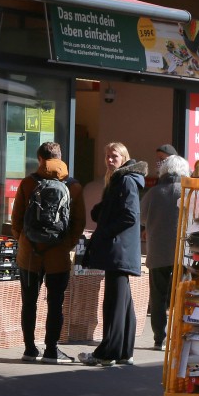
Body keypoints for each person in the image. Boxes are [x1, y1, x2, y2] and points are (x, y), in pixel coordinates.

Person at [11, 142, 85, 363]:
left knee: (29, 302)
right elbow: (78, 222)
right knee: (55, 303)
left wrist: (25, 240)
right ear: (60, 158)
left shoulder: (27, 183)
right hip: (58, 255)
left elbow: (16, 219)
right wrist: (65, 244)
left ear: (40, 159)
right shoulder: (73, 186)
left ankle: (29, 349)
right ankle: (52, 350)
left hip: (30, 254)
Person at [78, 142, 148, 367]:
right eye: (107, 156)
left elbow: (129, 216)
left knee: (114, 304)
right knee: (122, 303)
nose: (109, 159)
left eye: (114, 156)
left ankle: (107, 353)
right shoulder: (120, 180)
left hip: (119, 249)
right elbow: (119, 212)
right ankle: (124, 352)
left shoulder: (126, 180)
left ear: (124, 157)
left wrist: (106, 232)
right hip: (120, 249)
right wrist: (102, 210)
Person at [141, 154, 188, 351]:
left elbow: (142, 217)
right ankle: (180, 336)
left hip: (157, 251)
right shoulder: (187, 192)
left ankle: (159, 338)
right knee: (181, 296)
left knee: (158, 297)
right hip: (182, 253)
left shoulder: (153, 193)